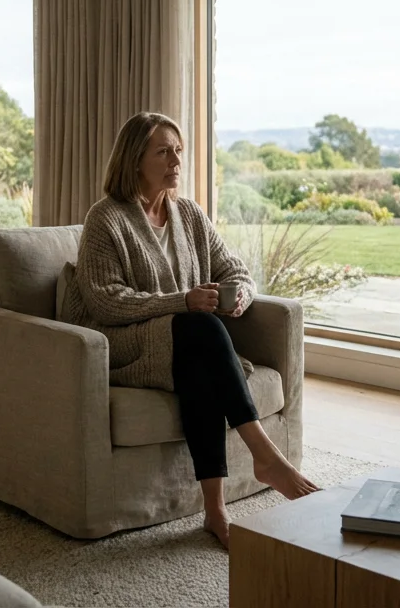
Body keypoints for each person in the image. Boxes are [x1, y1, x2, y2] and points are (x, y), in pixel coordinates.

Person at [60, 111, 319, 547]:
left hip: (187, 342)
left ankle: (215, 512)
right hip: (122, 343)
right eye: (163, 151)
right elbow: (106, 301)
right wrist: (182, 301)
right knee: (198, 327)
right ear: (134, 159)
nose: (176, 161)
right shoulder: (105, 219)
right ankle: (266, 458)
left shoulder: (191, 215)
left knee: (200, 365)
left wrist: (241, 294)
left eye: (178, 150)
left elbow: (233, 269)